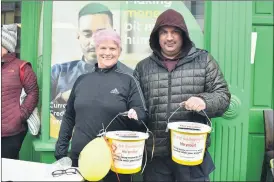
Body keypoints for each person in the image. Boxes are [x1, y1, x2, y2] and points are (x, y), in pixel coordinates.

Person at [134, 9, 231, 181]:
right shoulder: (143, 67)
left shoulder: (204, 60)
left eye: (175, 32)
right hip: (155, 157)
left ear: (183, 35)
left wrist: (204, 100)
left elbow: (223, 96)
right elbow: (135, 104)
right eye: (164, 32)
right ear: (157, 36)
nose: (169, 37)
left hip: (191, 153)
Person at [55, 29, 147, 182]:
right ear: (96, 49)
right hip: (81, 159)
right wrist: (61, 150)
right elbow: (69, 116)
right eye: (103, 48)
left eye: (112, 48)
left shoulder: (128, 80)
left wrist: (136, 114)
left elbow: (143, 115)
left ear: (119, 51)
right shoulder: (82, 80)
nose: (107, 53)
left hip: (115, 163)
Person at [51, 2, 132, 123]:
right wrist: (62, 99)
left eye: (101, 33)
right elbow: (43, 114)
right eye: (87, 34)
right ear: (78, 35)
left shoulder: (131, 76)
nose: (94, 42)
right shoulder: (58, 73)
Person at [1, 24, 39, 159]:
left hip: (11, 133)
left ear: (6, 46)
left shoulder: (22, 67)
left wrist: (20, 115)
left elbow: (33, 92)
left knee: (7, 169)